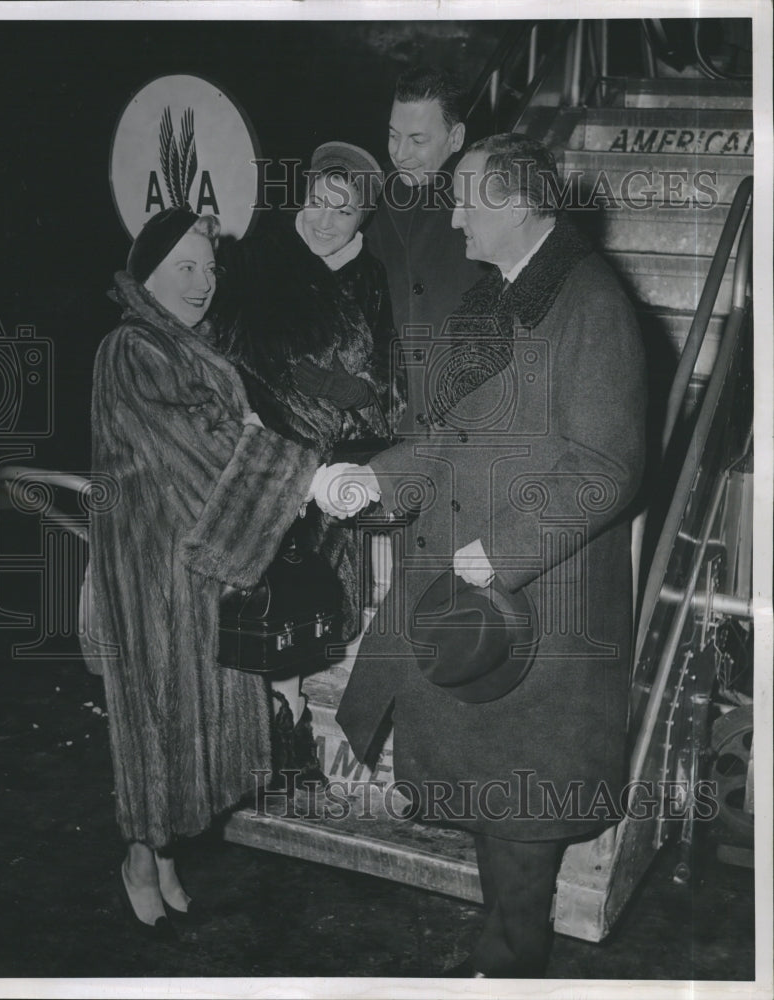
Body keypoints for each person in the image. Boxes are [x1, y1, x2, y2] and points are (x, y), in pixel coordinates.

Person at [325, 134, 647, 977]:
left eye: (467, 197)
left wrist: (491, 556)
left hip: (535, 611)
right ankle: (499, 963)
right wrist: (371, 481)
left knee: (522, 823)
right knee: (495, 812)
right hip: (485, 609)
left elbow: (607, 467)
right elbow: (443, 441)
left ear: (512, 202)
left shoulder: (589, 303)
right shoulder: (496, 297)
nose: (454, 213)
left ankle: (506, 974)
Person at [88, 207, 321, 936]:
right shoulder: (133, 348)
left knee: (185, 719)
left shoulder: (182, 344)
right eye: (185, 267)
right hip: (152, 568)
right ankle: (139, 855)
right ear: (150, 274)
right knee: (154, 716)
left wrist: (267, 442)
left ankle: (162, 854)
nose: (202, 282)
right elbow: (195, 449)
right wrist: (298, 474)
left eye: (209, 267)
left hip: (194, 561)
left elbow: (227, 435)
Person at [215, 142, 405, 782]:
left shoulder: (370, 280)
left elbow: (382, 384)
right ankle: (265, 729)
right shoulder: (258, 258)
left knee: (301, 597)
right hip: (255, 454)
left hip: (329, 468)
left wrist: (341, 394)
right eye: (318, 202)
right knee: (253, 594)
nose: (324, 220)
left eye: (343, 210)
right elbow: (222, 353)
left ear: (363, 218)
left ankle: (288, 720)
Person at [365, 65, 485, 432]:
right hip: (394, 422)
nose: (400, 154)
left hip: (470, 420)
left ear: (456, 137)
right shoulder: (371, 192)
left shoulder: (492, 197)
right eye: (392, 135)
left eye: (418, 140)